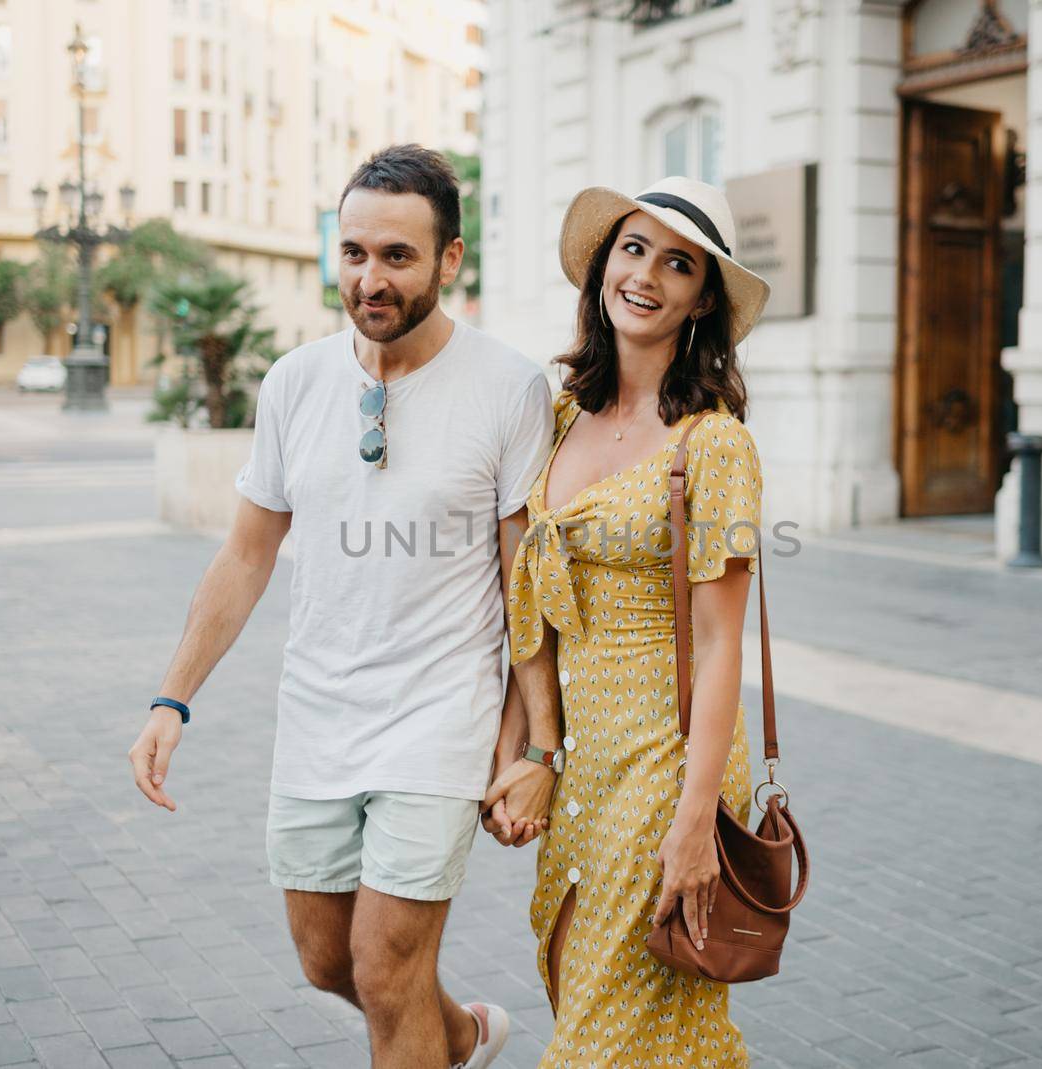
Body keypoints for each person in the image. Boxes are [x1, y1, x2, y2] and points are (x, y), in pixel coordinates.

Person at [127, 144, 561, 1069]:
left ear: (449, 260)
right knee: (329, 959)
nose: (371, 277)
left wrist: (534, 745)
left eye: (398, 256)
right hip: (318, 713)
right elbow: (247, 555)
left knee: (383, 964)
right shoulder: (294, 382)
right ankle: (465, 1037)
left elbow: (527, 583)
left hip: (440, 719)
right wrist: (172, 698)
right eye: (355, 251)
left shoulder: (510, 386)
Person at [488, 176, 772, 1066]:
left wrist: (696, 818)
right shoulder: (562, 412)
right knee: (585, 988)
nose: (646, 274)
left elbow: (724, 641)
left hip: (664, 765)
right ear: (604, 264)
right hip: (581, 769)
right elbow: (527, 598)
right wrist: (527, 748)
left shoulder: (713, 444)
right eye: (633, 248)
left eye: (678, 263)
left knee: (599, 1039)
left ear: (701, 300)